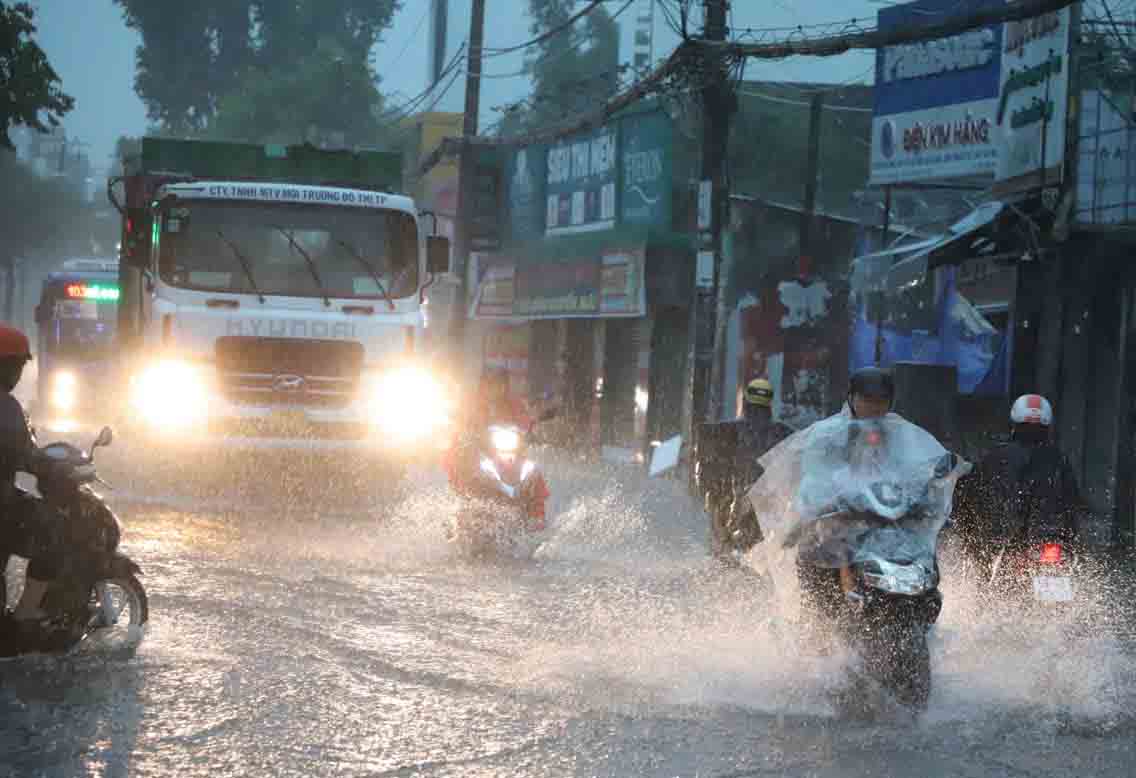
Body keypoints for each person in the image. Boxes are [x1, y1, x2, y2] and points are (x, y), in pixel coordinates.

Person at [953, 394, 1082, 581]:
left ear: (1014, 423)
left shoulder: (994, 458)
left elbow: (970, 494)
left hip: (1002, 539)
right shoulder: (1060, 460)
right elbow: (1073, 501)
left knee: (983, 573)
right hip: (1049, 540)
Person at [0, 324, 65, 635]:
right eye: (15, 366)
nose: (17, 375)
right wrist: (55, 469)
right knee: (53, 534)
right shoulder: (5, 407)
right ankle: (26, 614)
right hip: (2, 504)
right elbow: (27, 455)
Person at [443, 366, 549, 527]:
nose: (494, 388)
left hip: (508, 453)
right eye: (490, 384)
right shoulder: (472, 403)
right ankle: (464, 511)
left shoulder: (514, 403)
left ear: (505, 385)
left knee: (533, 471)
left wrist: (531, 425)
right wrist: (465, 430)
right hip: (479, 450)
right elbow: (460, 421)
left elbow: (525, 420)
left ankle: (537, 517)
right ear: (483, 385)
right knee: (463, 464)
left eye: (498, 384)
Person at [709, 378, 794, 560]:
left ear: (746, 400)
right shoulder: (785, 433)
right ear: (770, 402)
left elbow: (715, 472)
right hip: (767, 508)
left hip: (733, 504)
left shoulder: (727, 431)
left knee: (729, 555)